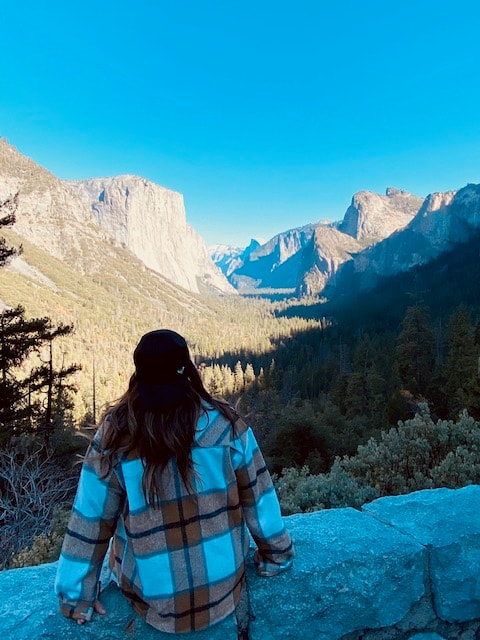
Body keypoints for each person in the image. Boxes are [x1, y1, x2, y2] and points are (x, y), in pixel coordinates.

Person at [55, 329, 294, 637]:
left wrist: (76, 596)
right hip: (222, 591)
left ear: (139, 374)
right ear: (187, 369)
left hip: (153, 599)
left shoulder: (117, 434)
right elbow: (258, 500)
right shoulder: (225, 425)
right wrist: (277, 555)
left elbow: (91, 518)